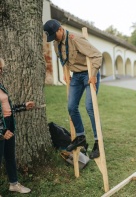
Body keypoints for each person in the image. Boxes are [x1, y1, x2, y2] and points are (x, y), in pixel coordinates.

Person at [43, 19, 102, 159]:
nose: (54, 39)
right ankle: (80, 137)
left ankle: (98, 142)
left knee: (90, 107)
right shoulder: (56, 43)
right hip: (76, 76)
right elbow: (62, 59)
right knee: (71, 107)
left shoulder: (75, 39)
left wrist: (93, 75)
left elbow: (97, 55)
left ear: (60, 29)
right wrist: (65, 73)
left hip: (89, 73)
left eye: (54, 35)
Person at [0, 58, 35, 194]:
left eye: (1, 69)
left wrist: (23, 106)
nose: (0, 71)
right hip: (2, 128)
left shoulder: (1, 86)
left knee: (10, 156)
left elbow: (7, 108)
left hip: (8, 124)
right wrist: (1, 131)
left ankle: (14, 184)